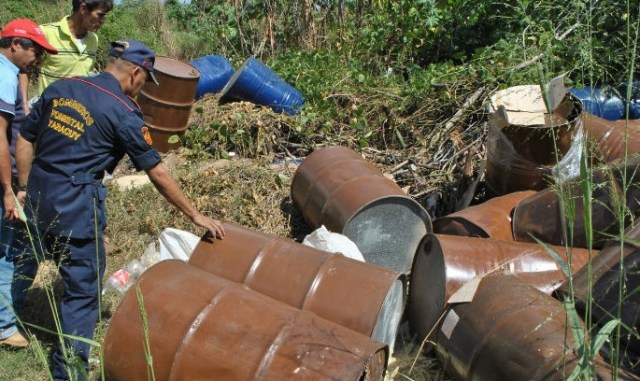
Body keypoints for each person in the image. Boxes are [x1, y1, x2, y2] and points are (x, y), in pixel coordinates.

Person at [14, 39, 225, 380]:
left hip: (38, 199)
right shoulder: (122, 111)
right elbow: (156, 170)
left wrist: (24, 186)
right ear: (136, 72)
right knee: (82, 293)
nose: (143, 88)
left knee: (21, 263)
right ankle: (69, 372)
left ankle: (7, 324)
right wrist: (195, 214)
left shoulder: (62, 88)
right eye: (145, 81)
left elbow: (24, 137)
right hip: (76, 211)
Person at [0, 19, 58, 349]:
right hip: (3, 181)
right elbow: (2, 136)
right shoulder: (5, 75)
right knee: (12, 249)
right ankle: (5, 327)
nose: (37, 57)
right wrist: (11, 188)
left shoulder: (8, 73)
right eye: (34, 49)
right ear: (15, 45)